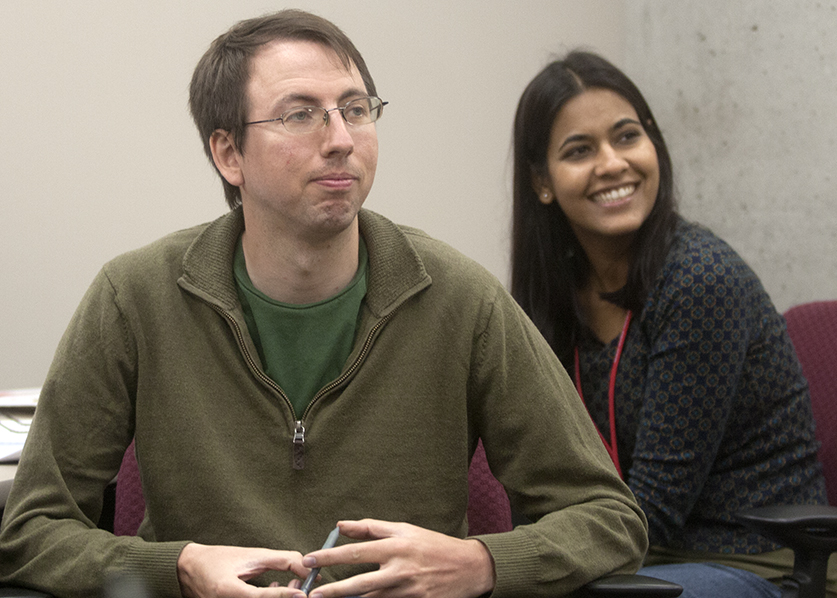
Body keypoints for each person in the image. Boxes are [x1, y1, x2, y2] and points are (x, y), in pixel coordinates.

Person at [0, 13, 648, 598]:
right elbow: (33, 528)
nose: (340, 138)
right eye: (300, 114)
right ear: (229, 153)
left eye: (356, 109)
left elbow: (608, 518)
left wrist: (480, 562)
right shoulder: (134, 297)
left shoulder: (458, 297)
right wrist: (178, 568)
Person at [510, 50, 832, 598]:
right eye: (580, 150)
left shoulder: (701, 280)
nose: (612, 163)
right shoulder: (552, 293)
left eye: (628, 137)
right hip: (630, 560)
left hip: (752, 562)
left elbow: (652, 510)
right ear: (542, 180)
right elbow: (538, 475)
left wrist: (524, 565)